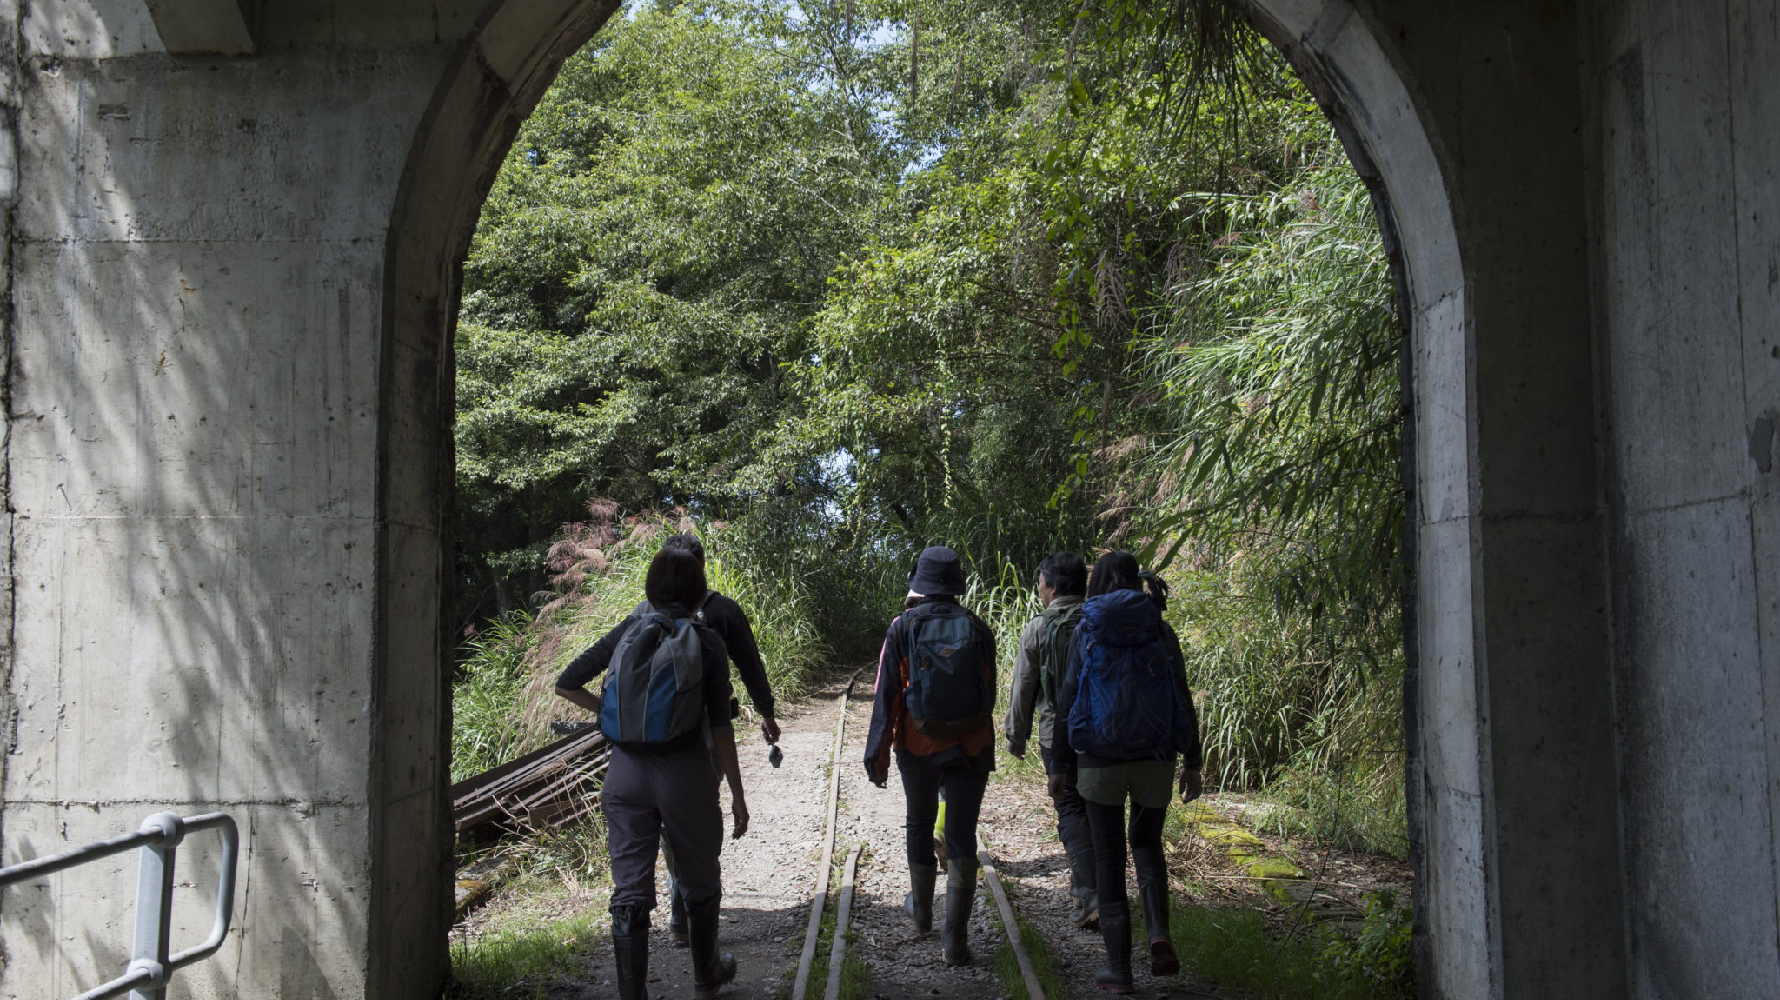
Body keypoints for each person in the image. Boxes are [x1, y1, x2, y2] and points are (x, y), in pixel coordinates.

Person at [557, 533, 780, 948]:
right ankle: (705, 974)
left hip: (624, 773)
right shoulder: (710, 634)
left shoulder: (631, 625)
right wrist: (737, 792)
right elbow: (721, 724)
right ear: (700, 590)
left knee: (629, 890)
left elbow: (566, 683)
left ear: (652, 588)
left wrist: (614, 715)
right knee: (697, 861)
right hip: (686, 765)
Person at [1049, 551, 1203, 994]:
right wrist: (1192, 761)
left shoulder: (1087, 629)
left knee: (1110, 857)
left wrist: (1060, 764)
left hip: (1098, 761)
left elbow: (1068, 700)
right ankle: (1159, 935)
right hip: (1155, 756)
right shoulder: (1158, 625)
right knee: (1148, 844)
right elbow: (1180, 693)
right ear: (1137, 581)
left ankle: (1119, 971)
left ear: (1096, 582)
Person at [864, 546, 997, 967]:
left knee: (920, 822)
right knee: (961, 835)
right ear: (956, 584)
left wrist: (877, 753)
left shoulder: (902, 627)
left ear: (920, 584)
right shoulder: (978, 628)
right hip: (971, 745)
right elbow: (988, 692)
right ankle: (955, 942)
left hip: (918, 743)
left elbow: (886, 696)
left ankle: (921, 913)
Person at [1003, 551, 1097, 927]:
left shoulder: (1039, 627)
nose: (1038, 590)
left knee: (1070, 807)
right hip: (1102, 731)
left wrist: (1016, 736)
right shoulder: (1097, 620)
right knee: (1096, 806)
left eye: (1040, 583)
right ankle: (1086, 886)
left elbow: (1023, 687)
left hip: (1053, 733)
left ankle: (1090, 893)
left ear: (1053, 587)